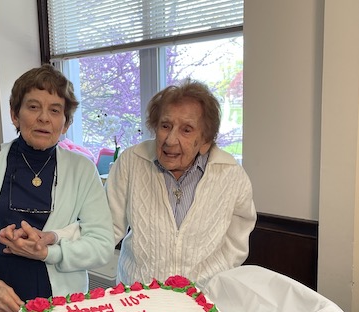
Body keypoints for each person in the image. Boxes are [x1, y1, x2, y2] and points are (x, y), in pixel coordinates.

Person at [0, 64, 114, 312]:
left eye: (55, 110)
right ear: (15, 114)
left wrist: (49, 253)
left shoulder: (83, 170)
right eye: (33, 107)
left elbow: (101, 245)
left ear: (66, 122)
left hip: (59, 310)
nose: (44, 118)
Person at [105, 80, 256, 287]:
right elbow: (106, 227)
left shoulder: (231, 175)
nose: (170, 140)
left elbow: (237, 242)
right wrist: (60, 243)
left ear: (205, 140)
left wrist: (212, 280)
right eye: (165, 126)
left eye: (186, 130)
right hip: (137, 297)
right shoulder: (132, 162)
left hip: (203, 299)